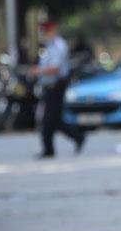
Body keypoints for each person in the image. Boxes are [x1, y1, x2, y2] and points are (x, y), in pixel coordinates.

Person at [28, 22, 86, 158]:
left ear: (53, 31)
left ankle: (49, 150)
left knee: (48, 119)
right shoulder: (50, 46)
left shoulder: (59, 46)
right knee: (55, 120)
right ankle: (77, 137)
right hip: (49, 86)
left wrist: (38, 71)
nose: (44, 35)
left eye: (46, 32)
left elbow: (56, 68)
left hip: (56, 85)